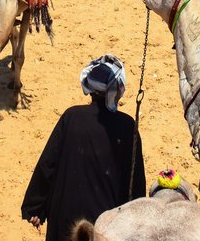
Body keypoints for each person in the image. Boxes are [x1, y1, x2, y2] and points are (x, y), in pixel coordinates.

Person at [21, 54, 146, 240]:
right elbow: (135, 181)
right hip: (107, 226)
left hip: (66, 221)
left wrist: (35, 207)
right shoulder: (127, 126)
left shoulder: (71, 117)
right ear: (117, 90)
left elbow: (48, 164)